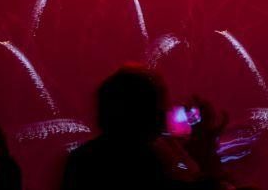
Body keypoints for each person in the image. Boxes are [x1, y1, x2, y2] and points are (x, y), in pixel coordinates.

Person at [61, 65, 223, 190]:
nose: (164, 113)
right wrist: (206, 146)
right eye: (158, 105)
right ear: (144, 113)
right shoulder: (146, 161)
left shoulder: (80, 160)